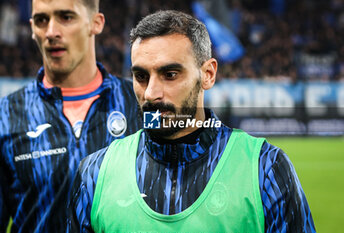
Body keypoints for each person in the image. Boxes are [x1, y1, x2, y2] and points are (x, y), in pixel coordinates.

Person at [68, 10, 316, 233]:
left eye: (170, 75)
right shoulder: (95, 173)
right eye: (141, 76)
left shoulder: (265, 168)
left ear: (207, 75)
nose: (151, 93)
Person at [0, 0, 141, 232]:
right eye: (41, 20)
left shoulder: (138, 105)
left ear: (96, 23)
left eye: (66, 17)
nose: (52, 32)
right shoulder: (7, 116)